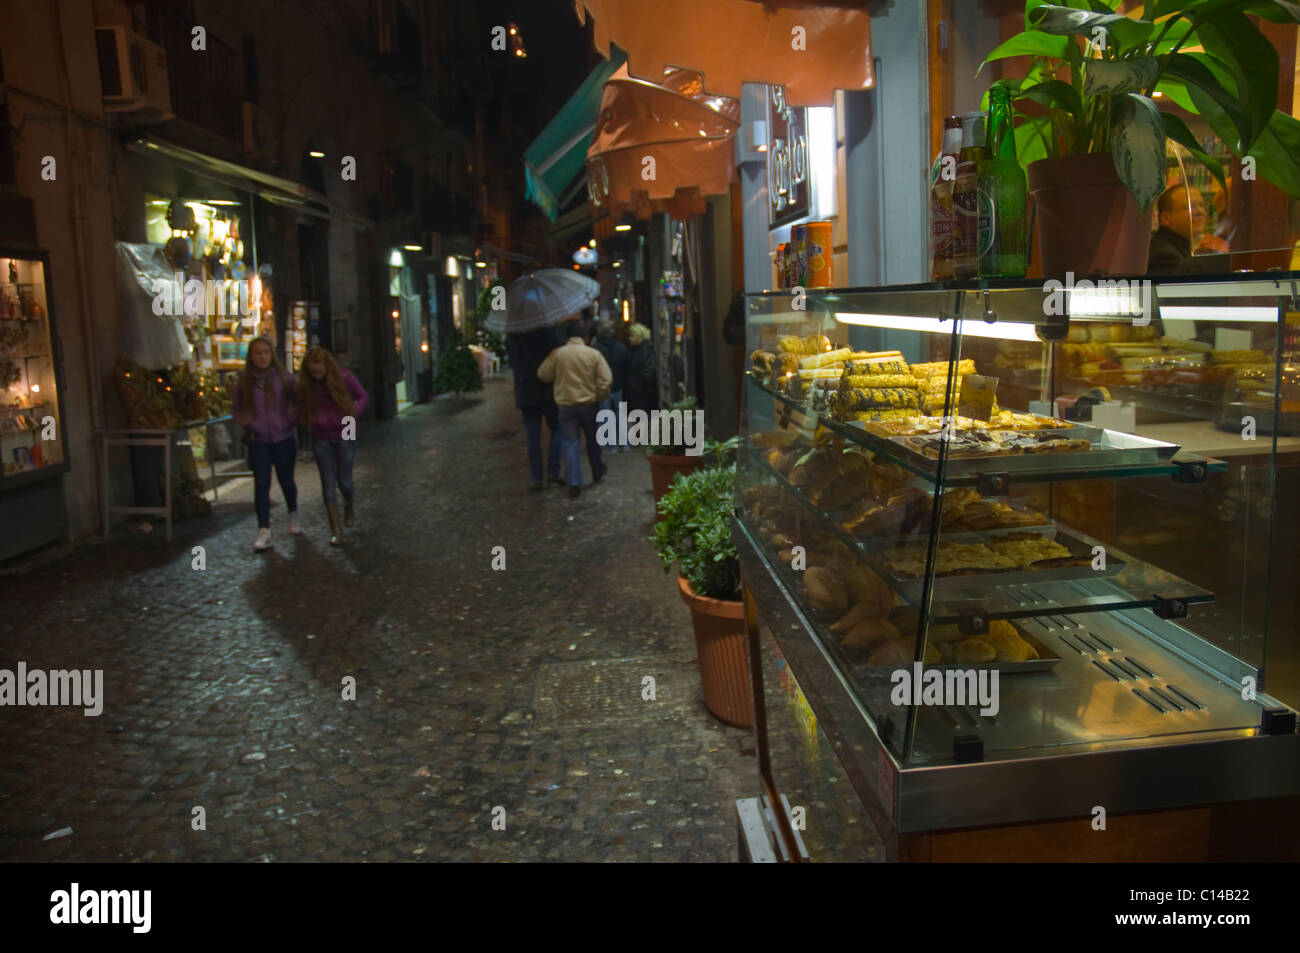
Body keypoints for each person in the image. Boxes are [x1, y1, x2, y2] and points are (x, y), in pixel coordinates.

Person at [232, 337, 299, 551]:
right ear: (251, 357)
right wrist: (247, 422)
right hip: (259, 439)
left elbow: (297, 401)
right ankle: (264, 528)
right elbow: (236, 407)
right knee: (261, 484)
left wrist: (290, 420)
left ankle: (293, 513)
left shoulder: (284, 378)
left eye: (265, 352)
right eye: (257, 353)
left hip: (283, 437)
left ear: (272, 355)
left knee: (287, 481)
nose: (262, 357)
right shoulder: (245, 381)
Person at [298, 346, 370, 546]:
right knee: (328, 484)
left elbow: (363, 397)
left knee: (345, 482)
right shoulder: (308, 386)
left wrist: (351, 415)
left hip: (345, 430)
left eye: (319, 372)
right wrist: (308, 419)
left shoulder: (344, 377)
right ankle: (336, 530)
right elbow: (300, 405)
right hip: (321, 435)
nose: (317, 376)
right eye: (313, 373)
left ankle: (349, 503)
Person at [537, 320, 612, 498]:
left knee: (570, 442)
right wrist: (599, 396)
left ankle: (573, 480)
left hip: (566, 405)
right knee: (593, 440)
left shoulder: (558, 354)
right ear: (584, 337)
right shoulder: (594, 354)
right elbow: (606, 379)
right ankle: (597, 469)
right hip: (588, 404)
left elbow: (543, 374)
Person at [505, 326, 564, 490]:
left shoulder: (512, 337)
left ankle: (536, 477)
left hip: (525, 390)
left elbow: (513, 363)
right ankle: (553, 470)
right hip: (547, 390)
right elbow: (557, 357)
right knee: (557, 428)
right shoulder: (548, 333)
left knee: (532, 436)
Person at [1148, 183, 1206, 274]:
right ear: (1166, 218)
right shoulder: (1165, 256)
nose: (1200, 212)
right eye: (1191, 207)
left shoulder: (1179, 247)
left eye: (1202, 205)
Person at [591, 319, 630, 452]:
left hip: (602, 387)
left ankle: (609, 445)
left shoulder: (595, 350)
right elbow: (627, 367)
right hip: (619, 385)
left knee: (605, 414)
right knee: (620, 414)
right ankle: (624, 443)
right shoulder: (621, 347)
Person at [624, 322, 657, 418]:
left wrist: (633, 383)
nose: (629, 338)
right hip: (639, 397)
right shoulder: (638, 350)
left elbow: (648, 374)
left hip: (643, 397)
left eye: (632, 336)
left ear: (639, 336)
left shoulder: (644, 351)